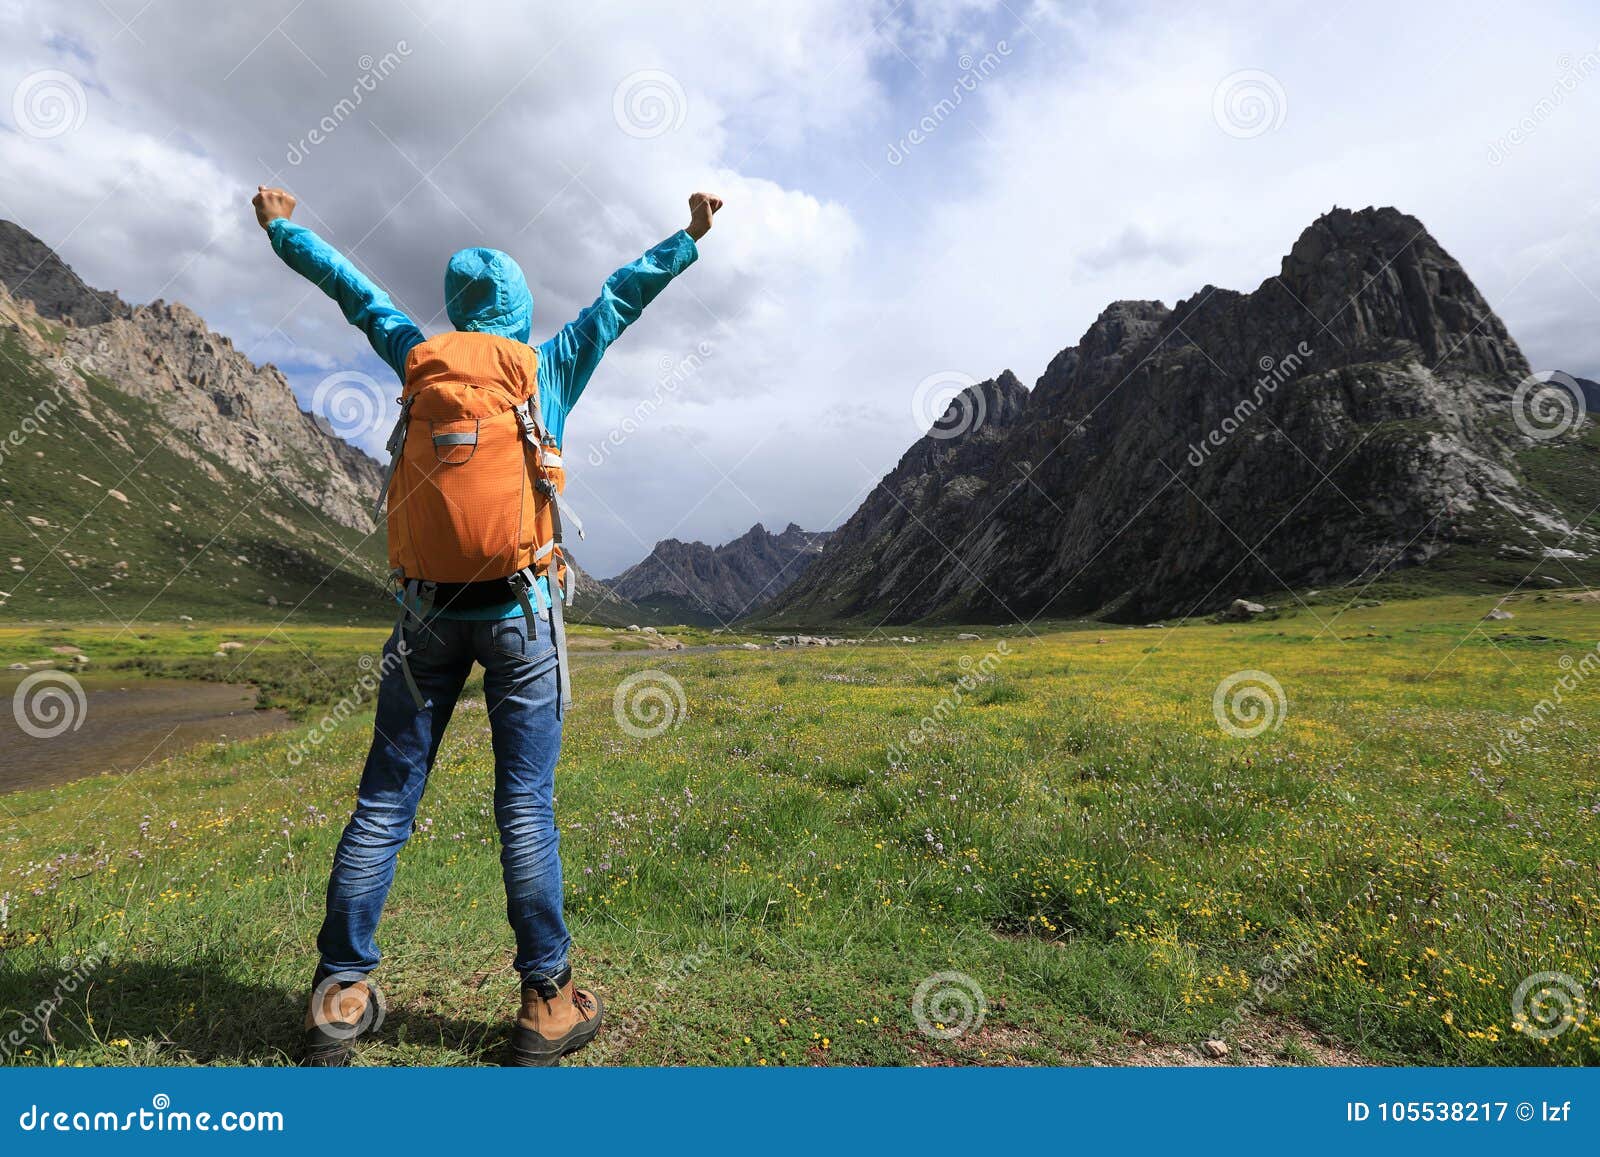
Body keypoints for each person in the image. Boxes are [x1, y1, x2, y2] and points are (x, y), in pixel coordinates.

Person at [252, 182, 722, 1065]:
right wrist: (688, 237)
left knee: (385, 802)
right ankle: (547, 1001)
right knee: (525, 806)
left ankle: (338, 995)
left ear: (458, 309)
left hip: (425, 614)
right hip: (521, 611)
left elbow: (356, 292)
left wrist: (285, 230)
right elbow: (621, 296)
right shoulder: (545, 367)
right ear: (516, 311)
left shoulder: (417, 357)